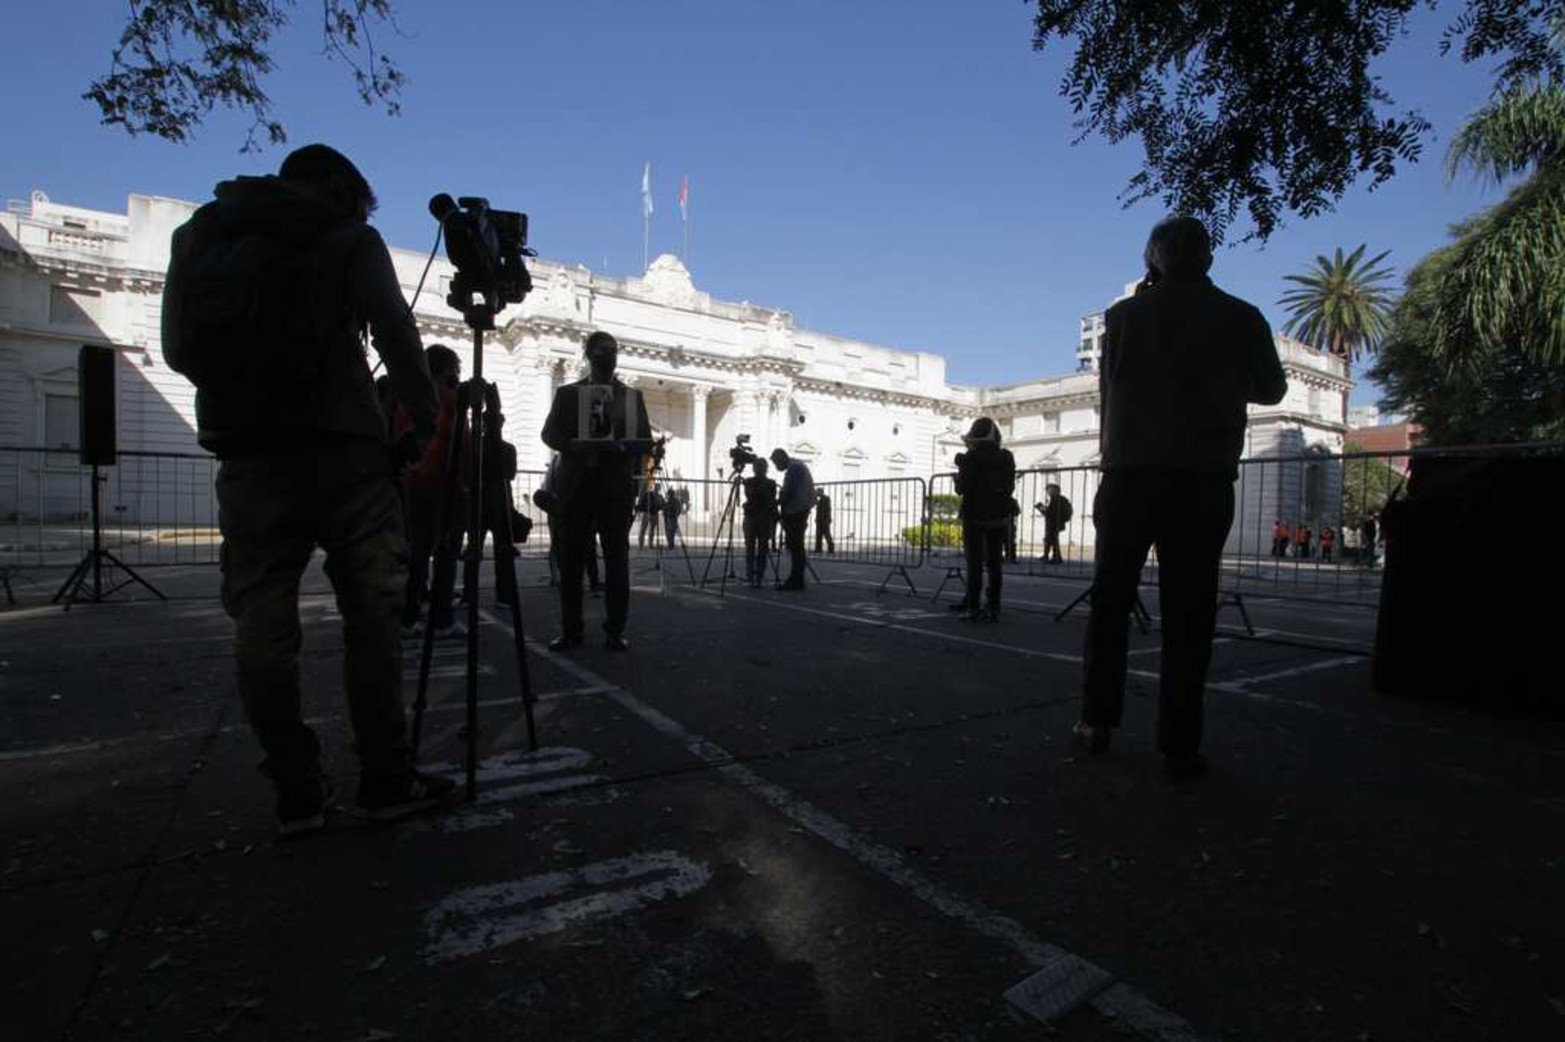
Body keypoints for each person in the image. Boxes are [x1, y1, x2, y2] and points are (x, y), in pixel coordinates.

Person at [161, 143, 456, 834]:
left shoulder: (201, 234)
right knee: (373, 620)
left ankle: (295, 786)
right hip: (344, 453)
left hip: (248, 453)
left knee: (261, 625)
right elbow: (396, 333)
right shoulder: (349, 237)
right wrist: (422, 425)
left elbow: (176, 350)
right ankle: (384, 775)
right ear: (339, 191)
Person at [1074, 215, 1287, 778]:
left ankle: (1097, 720)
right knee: (1190, 612)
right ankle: (1179, 742)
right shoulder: (1242, 317)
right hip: (1202, 475)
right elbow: (1271, 388)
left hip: (1131, 473)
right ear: (1209, 259)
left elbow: (1110, 391)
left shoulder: (1122, 318)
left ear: (1153, 259)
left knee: (1112, 601)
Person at [540, 331, 651, 651]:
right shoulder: (568, 394)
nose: (609, 355)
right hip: (576, 485)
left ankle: (615, 630)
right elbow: (549, 434)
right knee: (571, 561)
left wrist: (619, 447)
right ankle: (571, 629)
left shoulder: (631, 397)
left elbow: (644, 442)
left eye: (614, 350)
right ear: (588, 354)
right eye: (602, 350)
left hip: (614, 488)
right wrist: (573, 444)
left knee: (617, 562)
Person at [399, 344, 466, 640]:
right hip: (443, 485)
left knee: (416, 554)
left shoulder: (408, 399)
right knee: (445, 554)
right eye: (454, 370)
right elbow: (458, 441)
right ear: (446, 371)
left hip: (415, 484)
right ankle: (441, 618)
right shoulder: (446, 401)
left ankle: (409, 615)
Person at [953, 417, 1016, 621]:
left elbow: (962, 488)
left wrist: (959, 472)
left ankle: (973, 605)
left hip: (974, 516)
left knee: (974, 564)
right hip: (998, 517)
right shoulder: (1006, 456)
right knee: (994, 564)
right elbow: (1009, 487)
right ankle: (994, 606)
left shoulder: (970, 458)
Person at [478, 382, 521, 607]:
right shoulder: (508, 449)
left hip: (484, 500)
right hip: (499, 500)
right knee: (502, 552)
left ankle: (470, 593)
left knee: (478, 550)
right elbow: (511, 474)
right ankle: (503, 594)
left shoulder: (479, 446)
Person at [770, 448, 815, 590]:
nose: (776, 467)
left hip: (797, 510)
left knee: (796, 547)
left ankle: (796, 580)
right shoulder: (797, 465)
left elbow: (789, 491)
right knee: (796, 546)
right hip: (800, 509)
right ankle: (796, 579)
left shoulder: (794, 468)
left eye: (776, 463)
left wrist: (777, 502)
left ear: (782, 458)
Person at [742, 459, 780, 587]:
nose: (760, 469)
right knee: (750, 548)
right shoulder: (749, 481)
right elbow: (751, 495)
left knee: (763, 549)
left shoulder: (771, 483)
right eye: (757, 467)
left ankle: (759, 576)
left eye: (762, 467)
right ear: (754, 468)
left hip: (764, 518)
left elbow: (769, 498)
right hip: (752, 517)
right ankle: (750, 576)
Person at [1039, 483, 1071, 564]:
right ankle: (1051, 556)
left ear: (1054, 490)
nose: (1048, 492)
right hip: (1055, 523)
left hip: (1054, 523)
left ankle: (1055, 558)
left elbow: (1051, 513)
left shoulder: (1056, 499)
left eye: (1049, 490)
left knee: (1052, 540)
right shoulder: (1058, 499)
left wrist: (1042, 510)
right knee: (1051, 540)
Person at [635, 483, 664, 547]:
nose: (657, 489)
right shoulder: (647, 494)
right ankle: (641, 544)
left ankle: (650, 544)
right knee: (643, 529)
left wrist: (660, 505)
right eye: (656, 488)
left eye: (658, 488)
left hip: (654, 513)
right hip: (647, 513)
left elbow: (661, 505)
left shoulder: (659, 496)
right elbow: (642, 502)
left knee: (651, 529)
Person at [814, 489, 835, 554]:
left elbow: (827, 509)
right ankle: (819, 548)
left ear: (820, 492)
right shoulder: (822, 499)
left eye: (817, 492)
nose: (816, 493)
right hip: (821, 519)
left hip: (824, 519)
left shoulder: (825, 499)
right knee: (820, 534)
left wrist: (827, 518)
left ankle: (829, 548)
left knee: (826, 534)